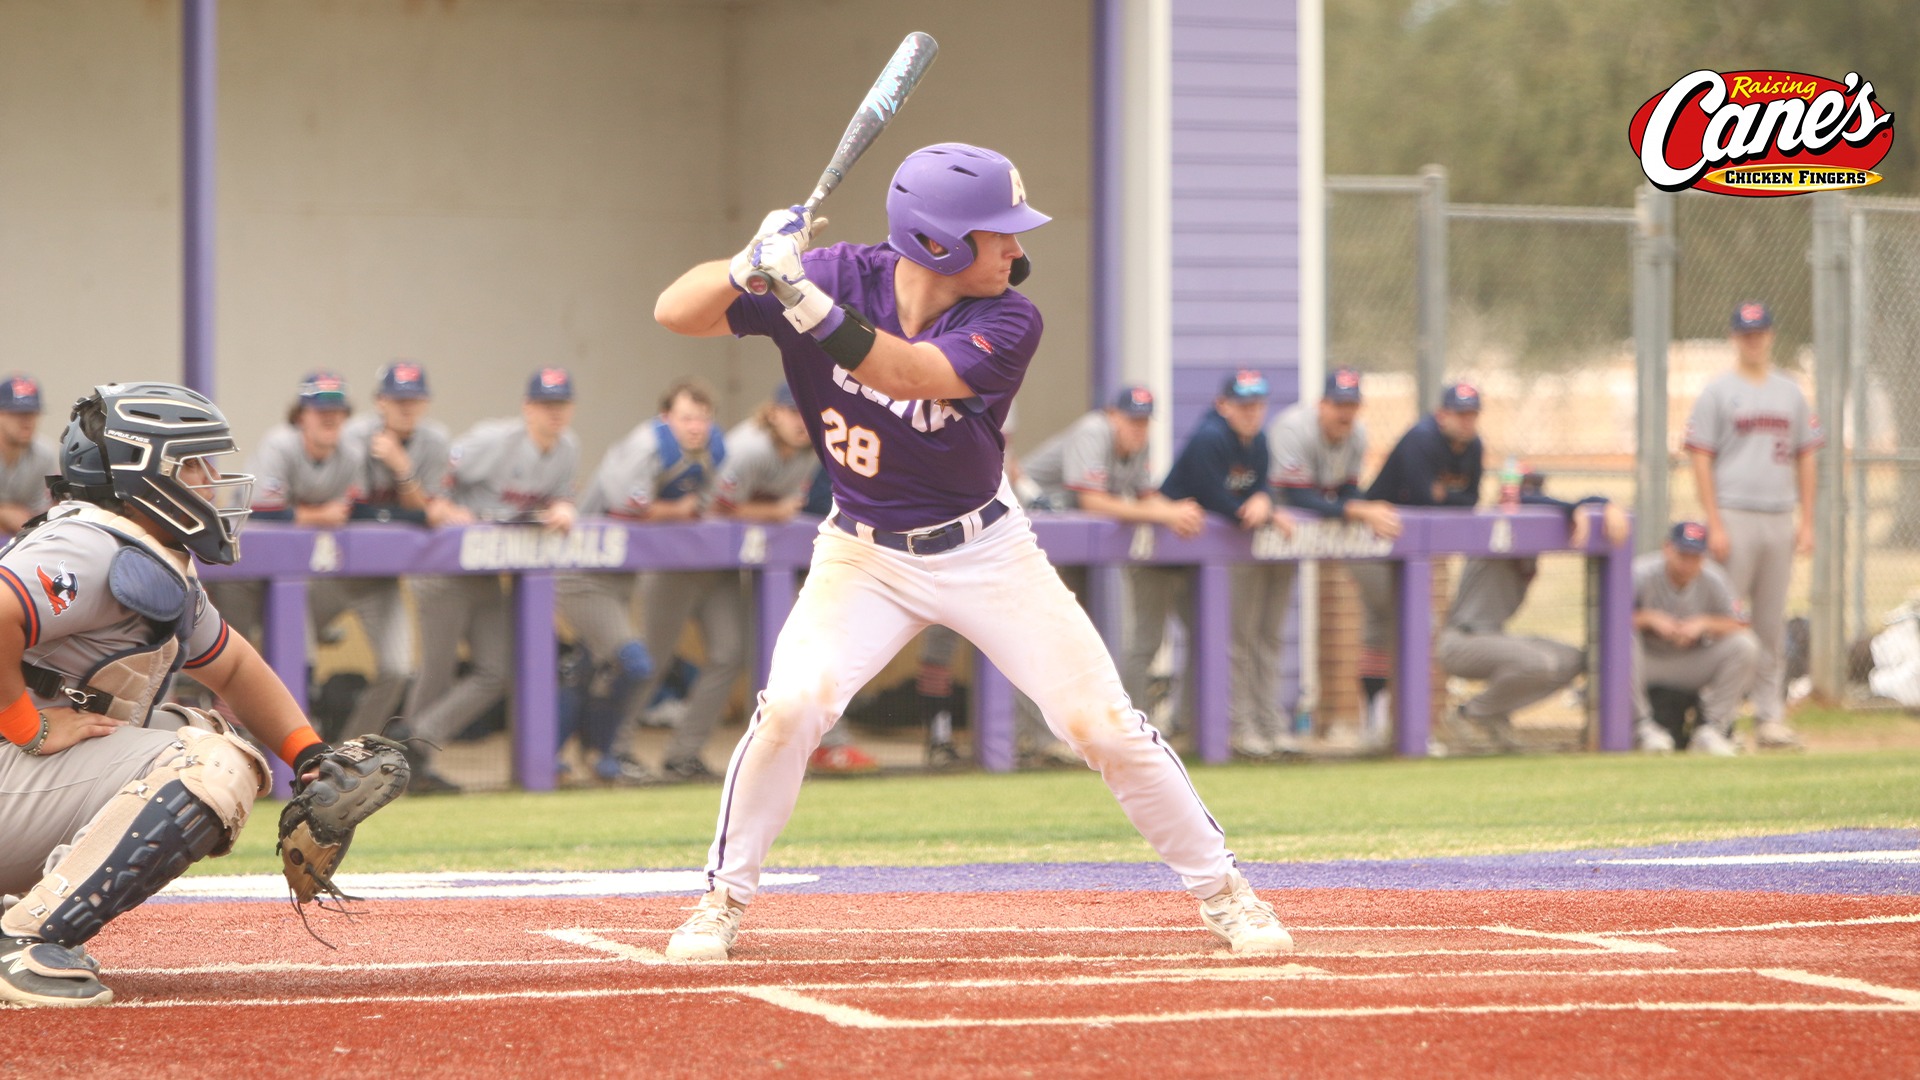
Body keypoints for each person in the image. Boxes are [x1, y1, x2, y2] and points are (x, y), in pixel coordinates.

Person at [652, 141, 1292, 961]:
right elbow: (679, 310)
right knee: (792, 707)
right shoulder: (840, 275)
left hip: (988, 548)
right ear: (937, 242)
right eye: (1000, 234)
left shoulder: (1006, 318)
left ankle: (1224, 891)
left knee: (1101, 723)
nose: (1019, 249)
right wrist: (745, 264)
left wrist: (796, 293)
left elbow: (910, 373)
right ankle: (723, 900)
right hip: (863, 552)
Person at [0, 382, 369, 1006]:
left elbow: (235, 668)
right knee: (212, 765)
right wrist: (25, 723)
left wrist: (310, 757)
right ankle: (28, 941)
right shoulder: (86, 544)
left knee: (204, 736)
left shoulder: (146, 550)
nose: (211, 479)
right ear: (140, 470)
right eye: (194, 464)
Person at [401, 368, 579, 793]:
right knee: (438, 670)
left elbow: (558, 497)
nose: (554, 413)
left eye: (561, 405)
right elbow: (436, 471)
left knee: (498, 668)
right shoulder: (493, 441)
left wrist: (563, 506)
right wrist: (441, 504)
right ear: (528, 408)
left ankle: (409, 747)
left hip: (484, 572)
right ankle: (408, 760)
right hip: (445, 566)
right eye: (545, 405)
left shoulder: (567, 448)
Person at [714, 383, 879, 775]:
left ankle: (814, 744)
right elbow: (714, 508)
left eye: (802, 411)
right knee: (732, 653)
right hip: (709, 560)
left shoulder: (815, 445)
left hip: (765, 562)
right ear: (773, 413)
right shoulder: (748, 447)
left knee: (809, 646)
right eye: (790, 412)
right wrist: (773, 513)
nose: (798, 420)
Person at [1134, 370, 1297, 760]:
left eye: (1257, 404)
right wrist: (1263, 508)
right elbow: (1220, 500)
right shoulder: (1211, 436)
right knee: (1146, 643)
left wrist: (1265, 500)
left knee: (1209, 639)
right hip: (1161, 551)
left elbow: (1258, 488)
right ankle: (1134, 731)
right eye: (1242, 405)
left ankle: (1189, 724)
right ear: (1223, 405)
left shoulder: (1257, 440)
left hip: (1199, 557)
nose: (1250, 413)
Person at [1684, 302, 1822, 750]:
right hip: (1734, 512)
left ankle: (1769, 717)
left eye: (1760, 332)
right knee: (1724, 617)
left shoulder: (1790, 391)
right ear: (1733, 338)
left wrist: (1807, 521)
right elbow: (1700, 456)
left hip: (1779, 514)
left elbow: (1807, 454)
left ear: (1771, 336)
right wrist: (1714, 521)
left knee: (1769, 622)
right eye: (1746, 333)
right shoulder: (1718, 392)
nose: (1754, 340)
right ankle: (1715, 718)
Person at [1433, 472, 1630, 753]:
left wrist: (1606, 504)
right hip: (1461, 640)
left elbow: (1560, 504)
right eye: (1523, 489)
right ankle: (1469, 714)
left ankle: (1494, 713)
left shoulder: (1547, 519)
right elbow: (1524, 502)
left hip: (1494, 637)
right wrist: (1572, 507)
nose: (1529, 496)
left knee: (1576, 659)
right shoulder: (1493, 521)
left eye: (1535, 489)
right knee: (1540, 663)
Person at [1266, 367, 1402, 748]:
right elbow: (1296, 496)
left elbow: (1347, 489)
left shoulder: (1356, 433)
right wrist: (1357, 511)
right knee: (1253, 633)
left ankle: (1379, 722)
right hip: (1262, 528)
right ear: (1321, 404)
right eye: (1338, 404)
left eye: (1352, 405)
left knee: (1269, 634)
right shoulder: (1294, 427)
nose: (1345, 413)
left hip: (1309, 530)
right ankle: (1251, 726)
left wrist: (1354, 507)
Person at [1350, 381, 1486, 738]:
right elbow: (1426, 500)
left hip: (1404, 549)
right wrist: (1443, 497)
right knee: (1414, 623)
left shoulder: (1474, 446)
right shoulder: (1421, 439)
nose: (1466, 422)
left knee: (1382, 629)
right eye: (1459, 414)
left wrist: (1446, 497)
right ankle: (1404, 726)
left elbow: (1469, 501)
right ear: (1442, 414)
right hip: (1372, 544)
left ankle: (1384, 723)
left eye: (1472, 414)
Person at [1632, 521, 1761, 756]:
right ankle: (1642, 728)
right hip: (1646, 662)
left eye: (1695, 556)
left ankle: (1712, 730)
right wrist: (1649, 619)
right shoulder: (1641, 572)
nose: (1688, 563)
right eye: (1683, 554)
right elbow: (1611, 619)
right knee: (1624, 642)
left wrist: (1703, 624)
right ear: (1667, 548)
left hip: (1689, 662)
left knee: (1744, 645)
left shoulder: (1713, 577)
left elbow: (1740, 622)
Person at [345, 360, 459, 527]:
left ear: (426, 403)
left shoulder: (436, 441)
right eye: (399, 400)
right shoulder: (356, 436)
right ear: (380, 401)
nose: (407, 408)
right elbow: (353, 511)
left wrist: (402, 469)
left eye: (414, 400)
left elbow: (428, 513)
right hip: (360, 534)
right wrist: (421, 513)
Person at [0, 375, 56, 533]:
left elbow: (35, 518)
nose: (27, 421)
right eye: (17, 413)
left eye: (32, 413)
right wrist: (5, 513)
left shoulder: (44, 454)